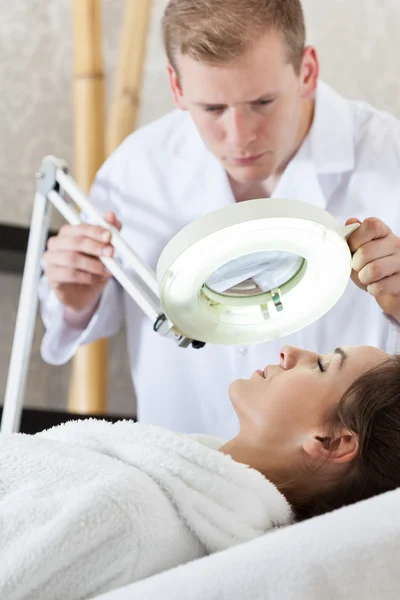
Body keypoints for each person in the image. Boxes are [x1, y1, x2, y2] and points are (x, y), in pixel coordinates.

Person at [38, 0, 400, 438]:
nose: (240, 135)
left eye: (263, 101)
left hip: (347, 490)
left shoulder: (389, 159)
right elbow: (75, 318)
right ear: (176, 87)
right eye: (212, 109)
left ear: (306, 70)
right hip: (182, 472)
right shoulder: (139, 168)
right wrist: (75, 294)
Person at [1, 344, 400, 600]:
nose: (289, 352)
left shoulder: (126, 517)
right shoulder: (154, 480)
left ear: (331, 442)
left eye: (322, 365)